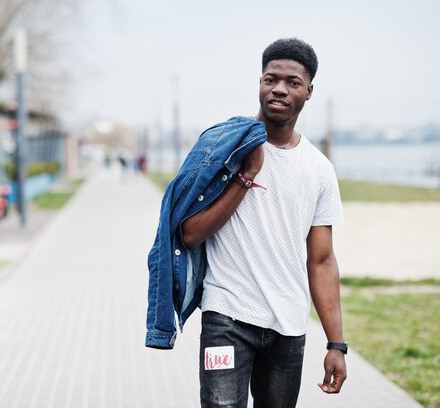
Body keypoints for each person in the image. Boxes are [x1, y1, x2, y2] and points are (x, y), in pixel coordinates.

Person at [145, 38, 346, 408]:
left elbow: (321, 260)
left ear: (309, 91)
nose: (279, 89)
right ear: (260, 82)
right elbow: (189, 234)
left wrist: (336, 344)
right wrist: (246, 175)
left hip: (288, 326)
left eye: (292, 82)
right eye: (271, 79)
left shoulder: (319, 169)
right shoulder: (225, 150)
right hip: (227, 318)